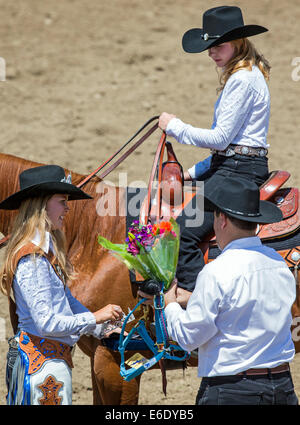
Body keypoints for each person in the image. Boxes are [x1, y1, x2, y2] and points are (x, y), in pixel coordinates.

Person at [139, 176, 298, 405]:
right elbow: (248, 305)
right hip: (282, 388)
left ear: (222, 219)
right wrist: (194, 298)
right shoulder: (278, 263)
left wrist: (169, 304)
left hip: (233, 391)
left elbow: (188, 338)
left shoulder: (216, 272)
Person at [158, 5, 272, 293]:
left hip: (238, 171)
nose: (211, 52)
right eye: (209, 46)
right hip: (233, 166)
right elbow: (230, 148)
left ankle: (198, 304)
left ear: (237, 42)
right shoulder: (246, 75)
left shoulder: (243, 79)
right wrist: (193, 173)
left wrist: (175, 126)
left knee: (181, 234)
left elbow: (221, 139)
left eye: (217, 45)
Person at [0, 165, 124, 405]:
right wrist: (96, 317)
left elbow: (66, 301)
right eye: (62, 201)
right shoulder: (32, 259)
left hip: (46, 362)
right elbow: (48, 323)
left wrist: (102, 329)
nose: (68, 208)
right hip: (44, 368)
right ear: (42, 204)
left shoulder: (44, 255)